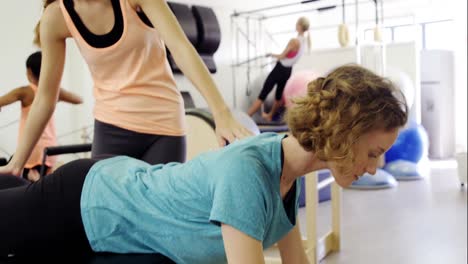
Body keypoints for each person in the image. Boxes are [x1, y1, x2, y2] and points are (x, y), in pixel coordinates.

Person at [0, 65, 408, 263]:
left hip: (109, 192)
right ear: (343, 132)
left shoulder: (289, 180)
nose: (374, 167)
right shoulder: (249, 172)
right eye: (373, 152)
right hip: (86, 201)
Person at [0, 0, 251, 177]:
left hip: (163, 127)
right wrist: (17, 161)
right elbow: (45, 98)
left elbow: (181, 48)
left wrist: (221, 113)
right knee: (107, 222)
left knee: (157, 223)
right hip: (111, 129)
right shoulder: (56, 18)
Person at [0, 51, 82, 181]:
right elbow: (79, 99)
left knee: (22, 179)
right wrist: (56, 92)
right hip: (50, 148)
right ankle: (37, 179)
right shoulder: (54, 91)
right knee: (43, 179)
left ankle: (33, 179)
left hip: (30, 149)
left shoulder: (25, 92)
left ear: (29, 72)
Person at [247, 16, 311, 122]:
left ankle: (247, 117)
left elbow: (282, 56)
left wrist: (270, 54)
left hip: (280, 69)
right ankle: (270, 116)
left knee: (264, 93)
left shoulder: (294, 41)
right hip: (288, 71)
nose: (295, 25)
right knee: (278, 95)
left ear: (299, 26)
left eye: (297, 23)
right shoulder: (305, 41)